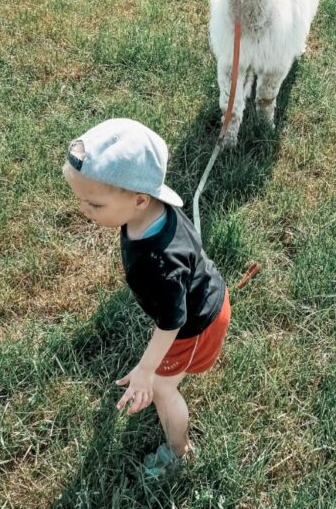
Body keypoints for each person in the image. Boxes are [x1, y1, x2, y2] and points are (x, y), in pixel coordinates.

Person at [62, 118, 230, 477]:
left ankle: (179, 452)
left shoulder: (159, 264)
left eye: (93, 205)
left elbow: (172, 322)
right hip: (198, 296)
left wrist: (146, 370)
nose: (83, 211)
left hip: (198, 322)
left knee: (161, 388)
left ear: (139, 199)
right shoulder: (152, 212)